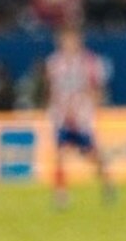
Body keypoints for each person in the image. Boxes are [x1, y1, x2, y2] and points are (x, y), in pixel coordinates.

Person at [44, 25, 114, 209]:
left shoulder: (90, 62)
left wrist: (87, 107)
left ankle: (107, 183)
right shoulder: (54, 63)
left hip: (82, 117)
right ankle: (61, 194)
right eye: (65, 39)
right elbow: (52, 89)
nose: (68, 43)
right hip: (62, 117)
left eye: (71, 39)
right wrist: (55, 109)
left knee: (92, 155)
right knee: (60, 154)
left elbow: (97, 89)